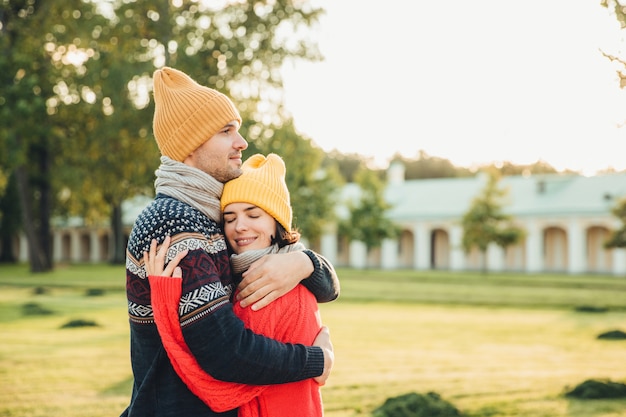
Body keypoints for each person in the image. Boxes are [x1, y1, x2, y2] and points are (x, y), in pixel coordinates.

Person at [122, 67, 338, 417]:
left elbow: (326, 288)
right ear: (191, 143)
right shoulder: (174, 220)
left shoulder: (210, 217)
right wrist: (318, 359)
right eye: (227, 131)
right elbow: (223, 350)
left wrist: (304, 263)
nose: (242, 142)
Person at [145, 153, 329, 416]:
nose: (239, 227)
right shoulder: (267, 272)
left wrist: (163, 297)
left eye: (253, 215)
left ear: (277, 223)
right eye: (229, 218)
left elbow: (218, 388)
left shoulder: (269, 289)